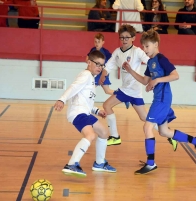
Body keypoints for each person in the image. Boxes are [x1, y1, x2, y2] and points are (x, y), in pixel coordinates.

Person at [123, 30, 196, 174]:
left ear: (156, 44)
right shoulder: (150, 62)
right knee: (164, 131)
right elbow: (144, 80)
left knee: (147, 128)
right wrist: (130, 71)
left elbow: (175, 75)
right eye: (143, 47)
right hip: (159, 98)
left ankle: (151, 163)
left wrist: (158, 80)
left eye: (147, 46)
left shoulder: (161, 59)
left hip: (163, 99)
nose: (145, 50)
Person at [99, 24, 177, 150]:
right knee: (144, 118)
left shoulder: (138, 51)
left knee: (107, 105)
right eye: (122, 37)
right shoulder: (118, 52)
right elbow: (109, 65)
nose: (124, 40)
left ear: (133, 38)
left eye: (127, 37)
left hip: (132, 88)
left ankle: (115, 137)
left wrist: (154, 80)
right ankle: (168, 134)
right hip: (129, 89)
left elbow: (152, 63)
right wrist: (103, 74)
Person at [54, 50, 117, 178]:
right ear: (89, 62)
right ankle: (72, 164)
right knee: (90, 135)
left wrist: (97, 111)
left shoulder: (91, 79)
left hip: (85, 112)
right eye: (97, 64)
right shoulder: (86, 75)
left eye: (102, 65)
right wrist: (62, 99)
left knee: (104, 132)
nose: (100, 67)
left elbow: (85, 102)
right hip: (77, 113)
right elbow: (73, 87)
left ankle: (99, 163)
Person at [86, 33, 130, 109]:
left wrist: (121, 64)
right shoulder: (93, 50)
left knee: (91, 87)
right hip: (96, 73)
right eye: (95, 41)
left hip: (102, 73)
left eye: (98, 42)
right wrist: (89, 62)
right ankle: (124, 97)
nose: (97, 44)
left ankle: (88, 105)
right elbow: (87, 58)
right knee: (107, 91)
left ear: (103, 42)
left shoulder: (105, 52)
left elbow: (113, 60)